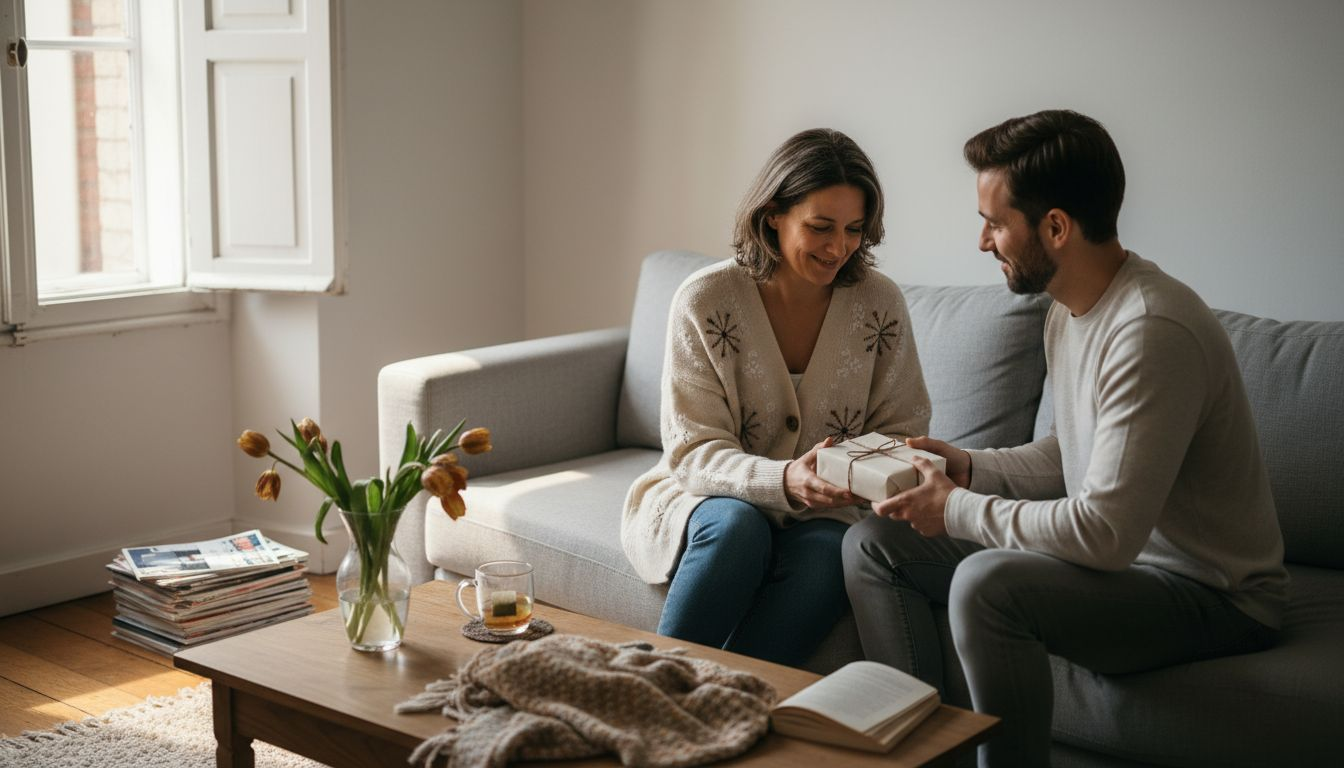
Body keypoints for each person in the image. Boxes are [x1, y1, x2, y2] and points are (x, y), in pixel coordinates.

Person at [841, 109, 1289, 766]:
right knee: (874, 545)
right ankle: (919, 755)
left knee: (986, 585)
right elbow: (1065, 456)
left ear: (1055, 227)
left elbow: (1106, 535)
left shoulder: (1151, 331)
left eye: (994, 223)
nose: (983, 242)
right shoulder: (1070, 309)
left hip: (1212, 594)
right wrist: (969, 467)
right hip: (1131, 569)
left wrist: (955, 508)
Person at [621, 128, 931, 666]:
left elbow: (902, 427)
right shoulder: (706, 300)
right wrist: (785, 479)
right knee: (739, 531)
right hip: (709, 498)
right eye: (820, 227)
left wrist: (848, 478)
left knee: (831, 556)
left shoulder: (879, 304)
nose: (839, 247)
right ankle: (651, 683)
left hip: (829, 516)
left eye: (855, 230)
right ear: (772, 215)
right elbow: (694, 452)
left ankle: (732, 702)